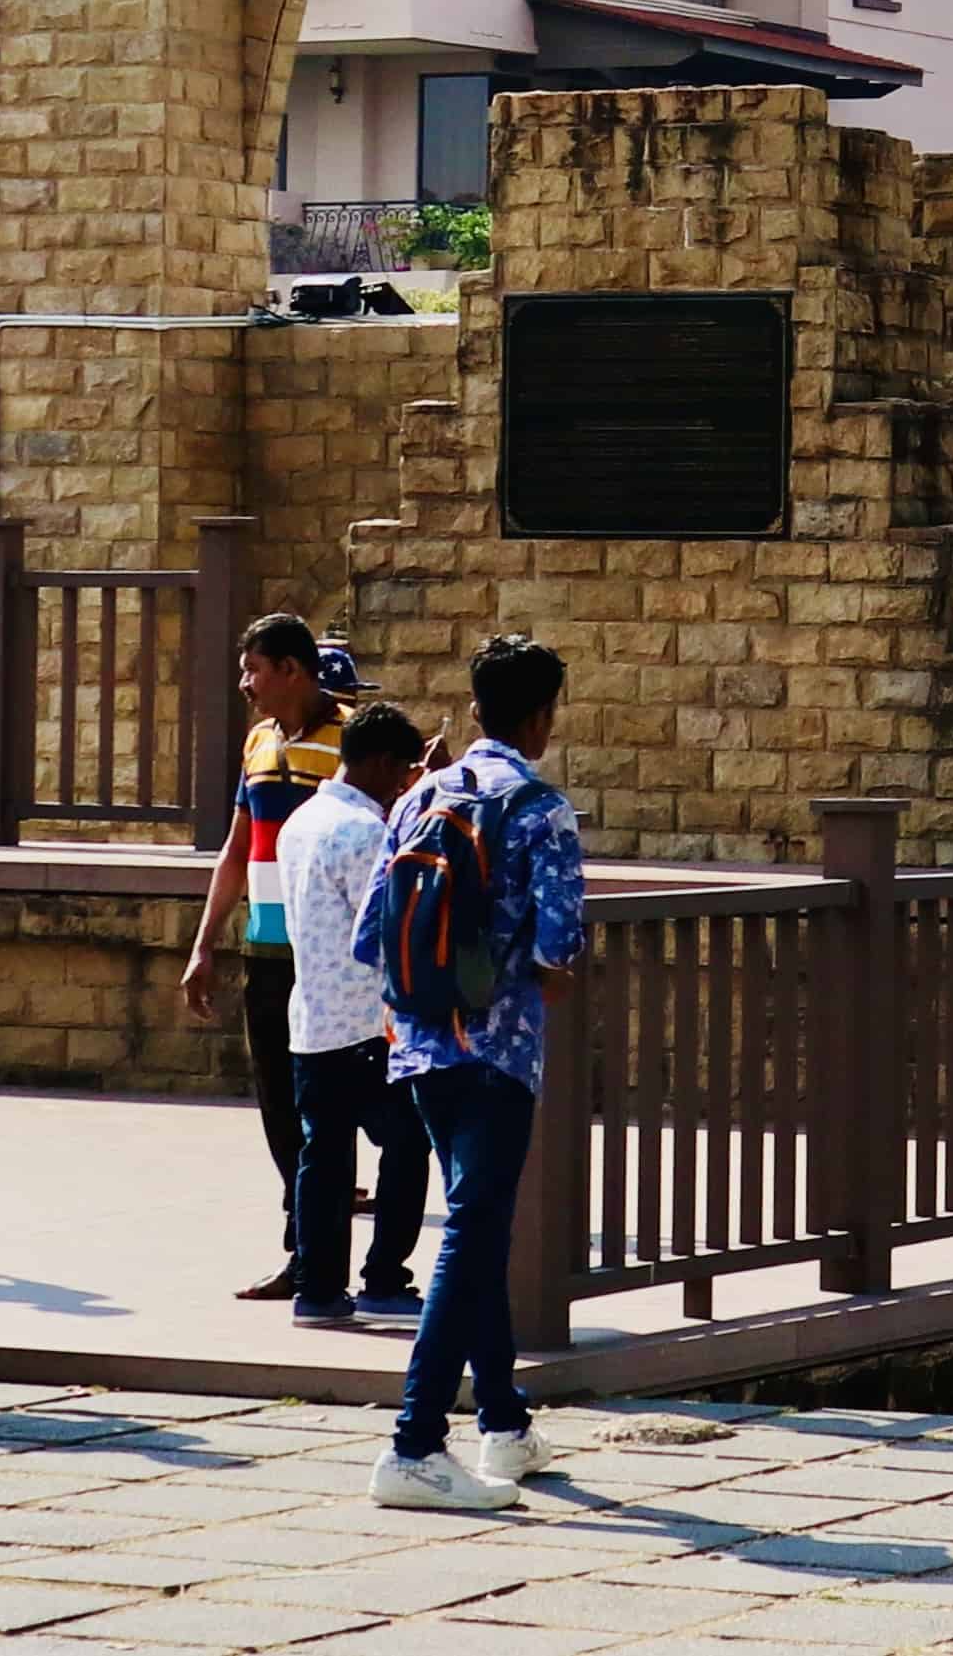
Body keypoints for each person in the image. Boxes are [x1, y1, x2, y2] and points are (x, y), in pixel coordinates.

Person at [358, 633, 583, 1513]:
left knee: (477, 1226)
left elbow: (367, 935)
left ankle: (503, 1422)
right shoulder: (540, 807)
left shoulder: (421, 796)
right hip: (499, 1049)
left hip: (416, 1044)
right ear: (538, 716)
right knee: (471, 1230)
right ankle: (414, 1443)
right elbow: (560, 946)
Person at [181, 611, 351, 1297]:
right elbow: (236, 847)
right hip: (267, 949)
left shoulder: (350, 740)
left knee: (341, 1109)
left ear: (293, 668)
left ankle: (357, 1256)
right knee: (279, 1105)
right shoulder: (257, 744)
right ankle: (303, 1247)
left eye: (255, 669)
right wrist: (205, 943)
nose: (246, 683)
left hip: (332, 957)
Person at [278, 700, 431, 1330]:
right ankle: (385, 1277)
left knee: (324, 1155)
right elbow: (390, 926)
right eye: (400, 772)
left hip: (313, 1018)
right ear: (378, 762)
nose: (403, 785)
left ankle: (317, 1288)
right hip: (371, 1022)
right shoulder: (369, 833)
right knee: (407, 1142)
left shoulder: (301, 821)